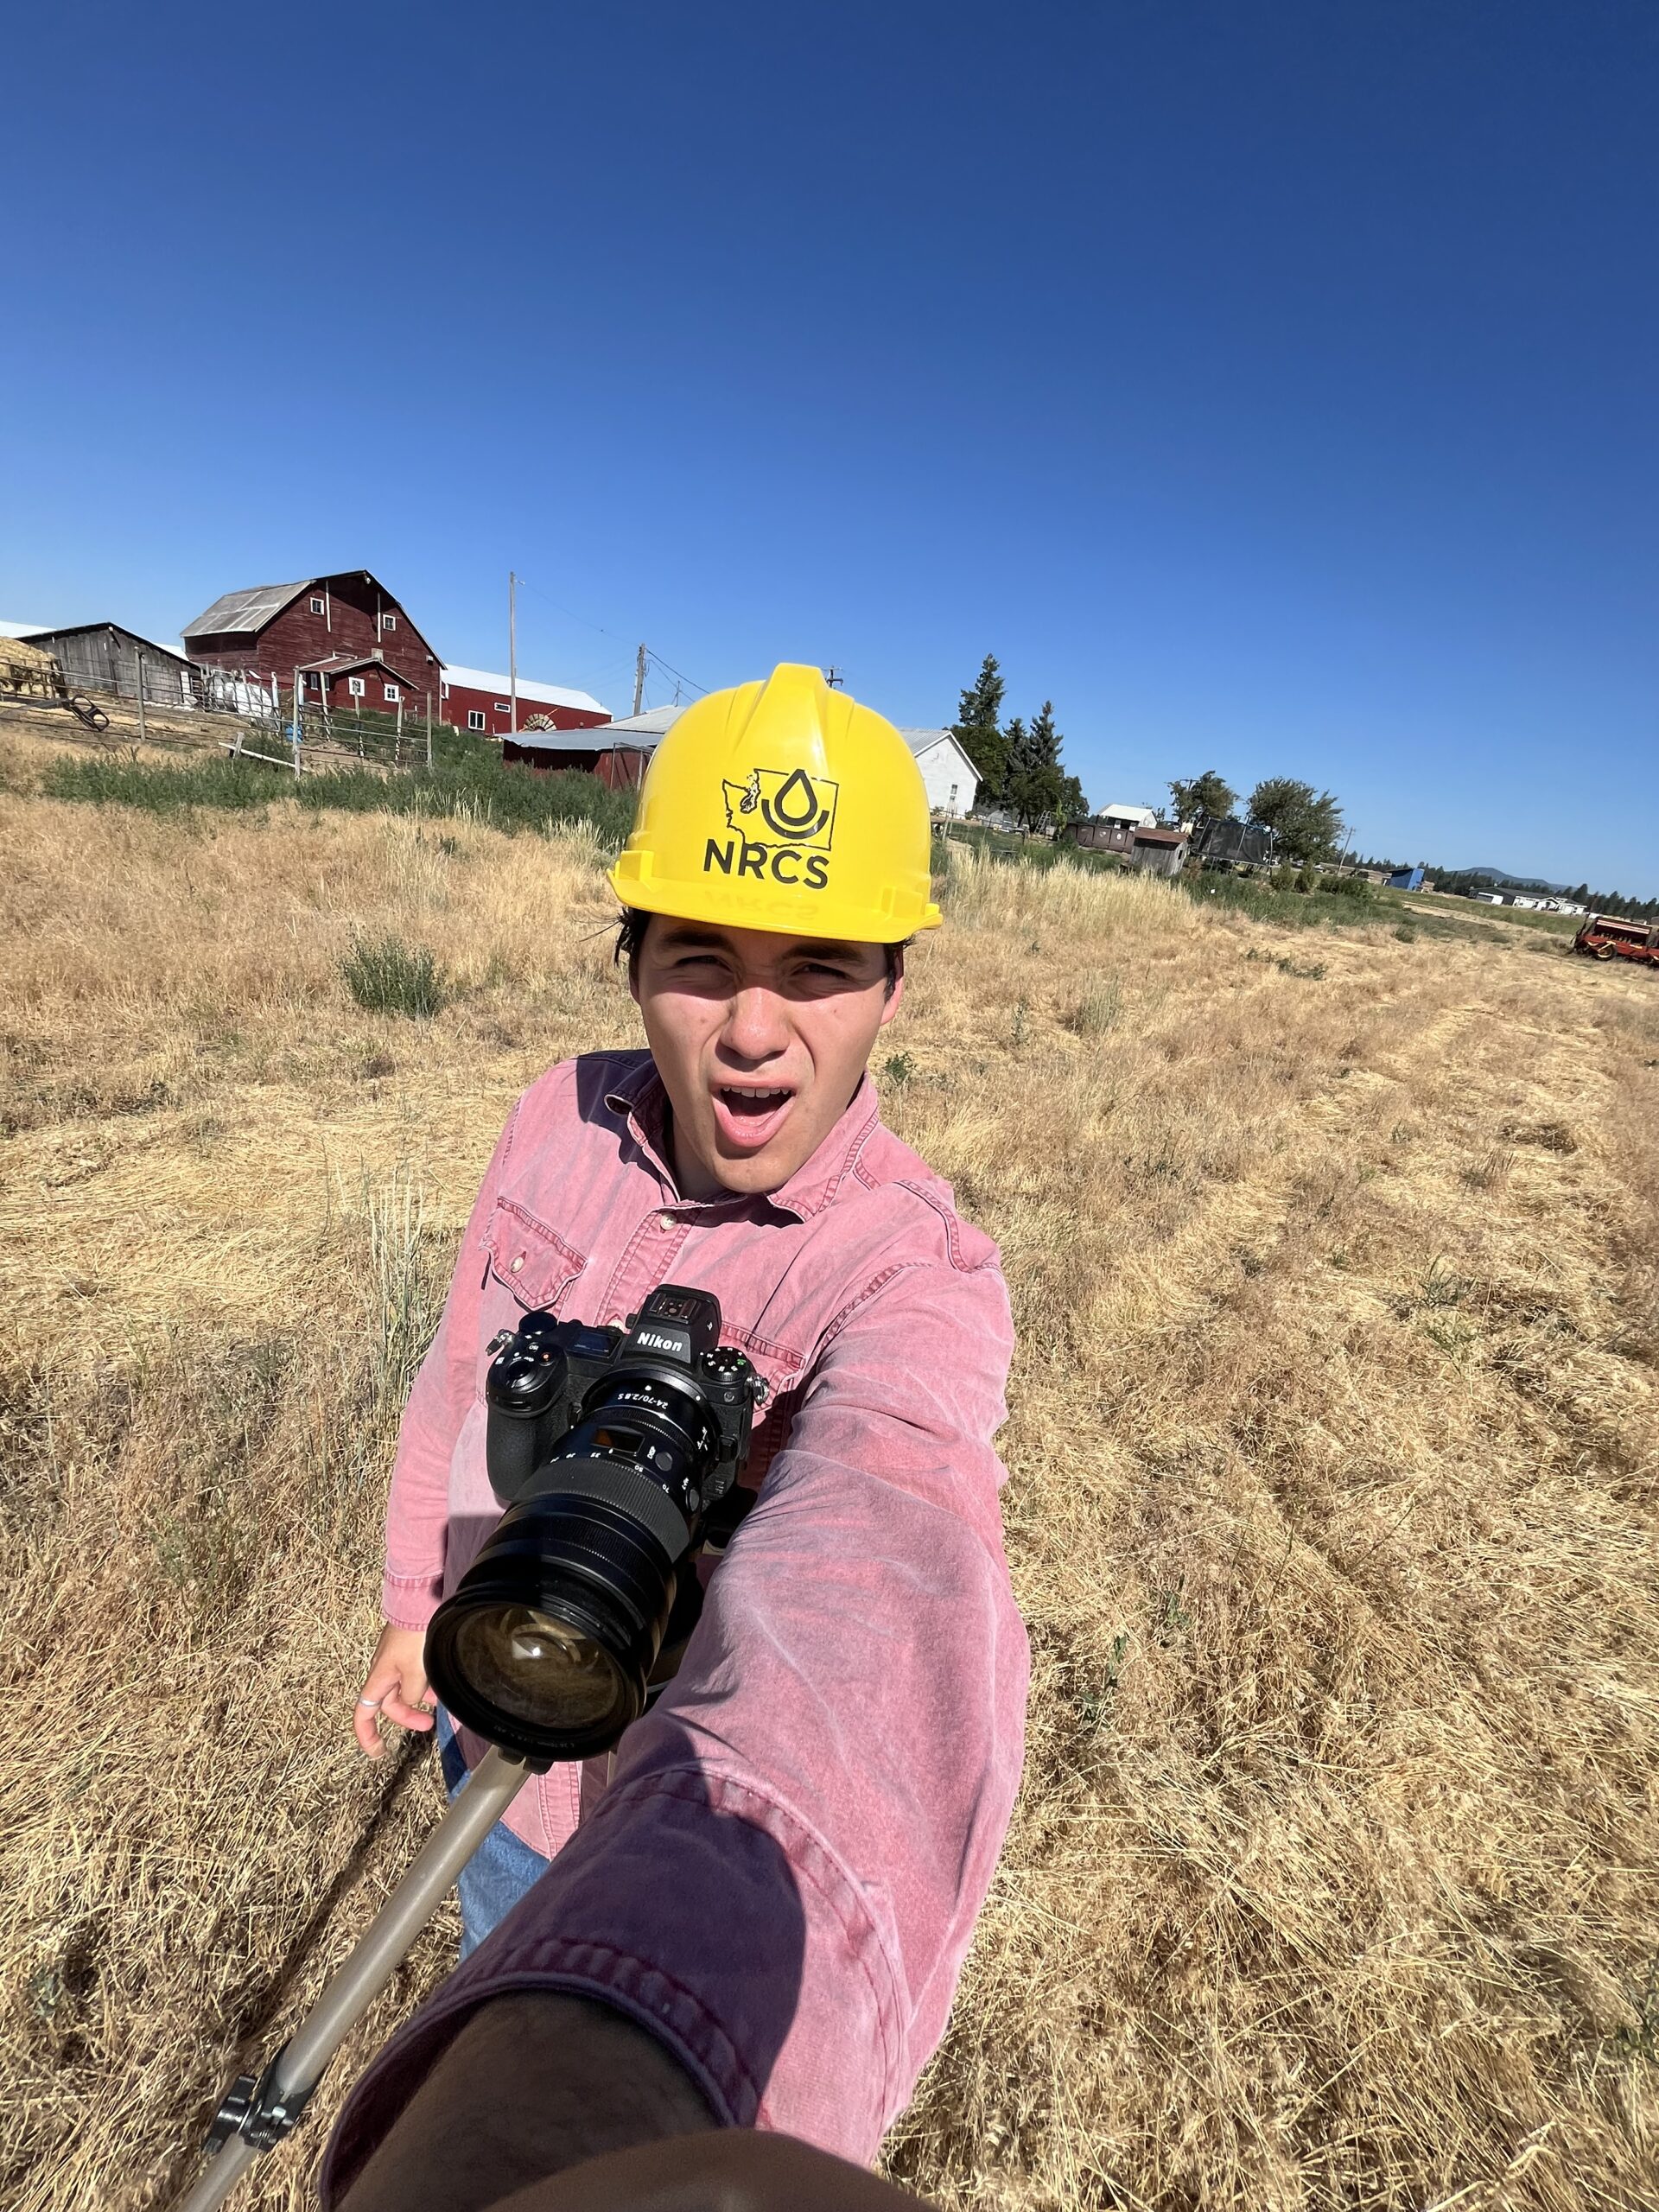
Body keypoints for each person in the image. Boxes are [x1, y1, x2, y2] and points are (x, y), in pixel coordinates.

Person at [326, 664, 1028, 2209]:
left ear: (897, 988)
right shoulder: (551, 1121)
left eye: (822, 967)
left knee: (533, 1948)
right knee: (490, 1923)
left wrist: (639, 2059)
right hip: (481, 1698)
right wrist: (407, 1609)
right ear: (629, 956)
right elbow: (454, 1375)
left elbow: (892, 1557)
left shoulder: (912, 1275)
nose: (755, 1033)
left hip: (645, 1812)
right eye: (701, 957)